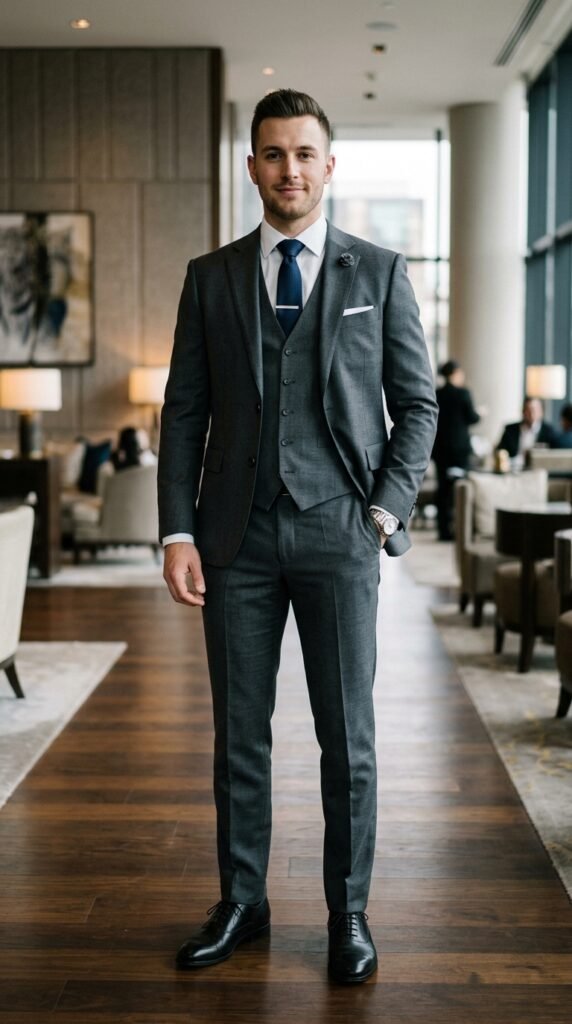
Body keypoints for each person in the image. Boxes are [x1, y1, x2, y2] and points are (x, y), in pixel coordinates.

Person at [158, 89, 438, 985]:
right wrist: (176, 531)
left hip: (340, 533)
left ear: (329, 164)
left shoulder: (380, 272)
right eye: (274, 154)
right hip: (233, 539)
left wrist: (383, 512)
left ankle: (348, 911)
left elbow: (418, 406)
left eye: (305, 153)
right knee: (239, 734)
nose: (290, 169)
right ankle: (243, 901)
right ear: (252, 167)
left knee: (347, 738)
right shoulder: (211, 276)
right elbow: (184, 413)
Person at [432, 359, 480, 541]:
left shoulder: (437, 394)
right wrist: (480, 413)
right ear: (455, 373)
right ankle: (461, 529)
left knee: (443, 490)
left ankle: (443, 530)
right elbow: (472, 418)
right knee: (462, 488)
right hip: (460, 449)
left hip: (441, 449)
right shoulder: (463, 393)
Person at [496, 396, 558, 465]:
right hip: (513, 467)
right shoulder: (510, 429)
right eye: (528, 410)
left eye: (534, 410)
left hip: (539, 468)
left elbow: (553, 454)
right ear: (523, 411)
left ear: (541, 412)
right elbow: (500, 451)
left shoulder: (549, 431)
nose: (531, 413)